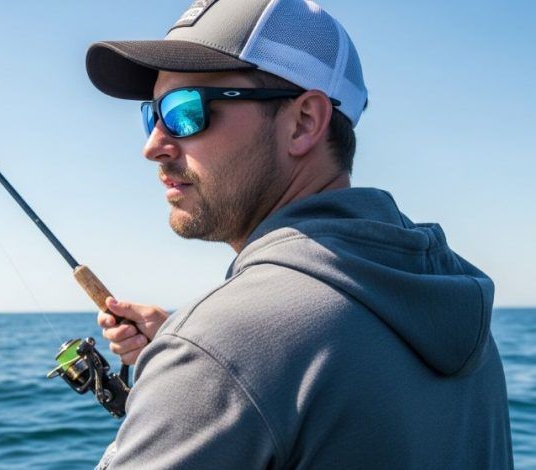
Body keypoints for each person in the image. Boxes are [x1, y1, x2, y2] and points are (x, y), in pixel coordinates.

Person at [86, 0, 513, 468]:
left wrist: (190, 373)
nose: (153, 145)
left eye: (185, 110)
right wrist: (192, 375)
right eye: (152, 114)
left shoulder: (217, 349)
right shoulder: (454, 312)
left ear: (304, 123)